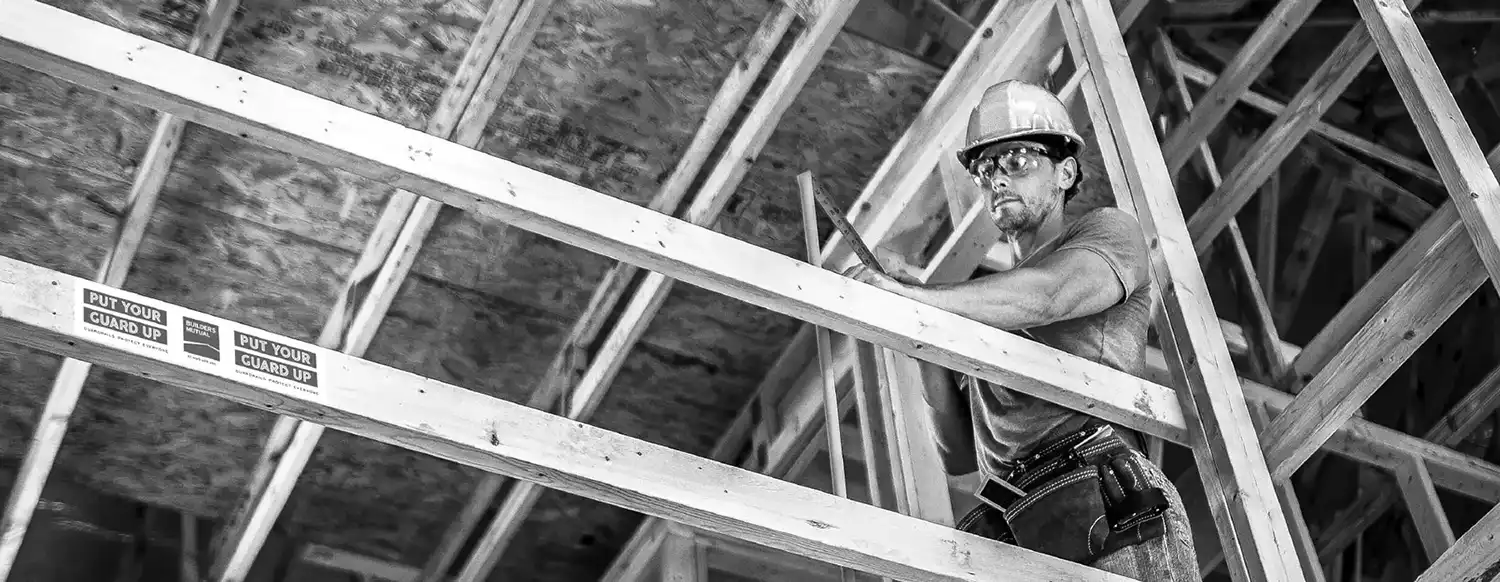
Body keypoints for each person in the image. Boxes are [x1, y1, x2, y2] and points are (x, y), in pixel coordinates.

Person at [842, 79, 1199, 579]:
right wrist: (922, 338)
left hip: (1104, 499)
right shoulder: (987, 308)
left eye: (1017, 160)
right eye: (987, 168)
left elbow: (1049, 296)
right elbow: (959, 454)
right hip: (1015, 520)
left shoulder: (1107, 233)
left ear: (1065, 171)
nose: (997, 179)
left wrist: (920, 300)